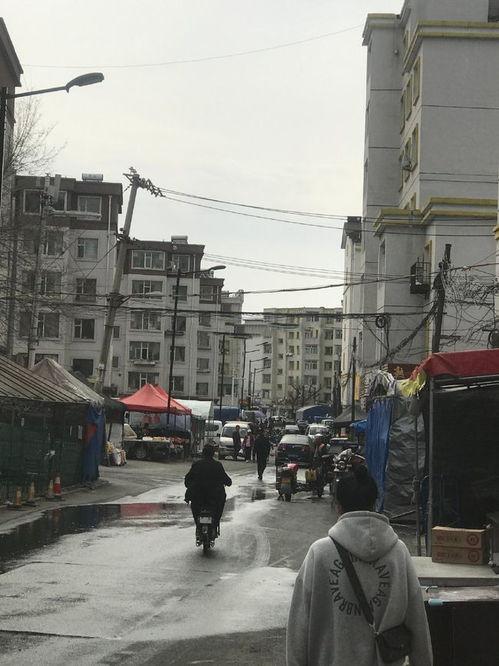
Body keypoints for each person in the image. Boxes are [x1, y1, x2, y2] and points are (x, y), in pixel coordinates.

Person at [286, 465, 432, 666]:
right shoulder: (398, 553)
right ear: (374, 503)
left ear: (338, 506)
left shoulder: (320, 554)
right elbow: (417, 620)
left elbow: (298, 626)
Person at [184, 444, 232, 534]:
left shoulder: (197, 465)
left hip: (198, 497)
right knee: (219, 506)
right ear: (213, 454)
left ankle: (199, 526)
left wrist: (190, 487)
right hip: (215, 498)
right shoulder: (217, 465)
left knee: (195, 507)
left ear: (203, 453)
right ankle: (214, 524)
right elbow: (228, 481)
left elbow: (187, 480)